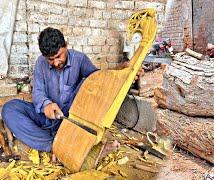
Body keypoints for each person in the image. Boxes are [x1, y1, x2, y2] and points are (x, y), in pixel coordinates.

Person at [1, 27, 137, 152]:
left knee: (87, 82)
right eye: (50, 59)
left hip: (70, 117)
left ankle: (61, 141)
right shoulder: (40, 63)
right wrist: (46, 104)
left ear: (65, 45)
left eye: (59, 56)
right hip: (47, 116)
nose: (56, 63)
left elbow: (98, 80)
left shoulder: (80, 59)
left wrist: (119, 71)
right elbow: (38, 91)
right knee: (9, 109)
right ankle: (55, 144)